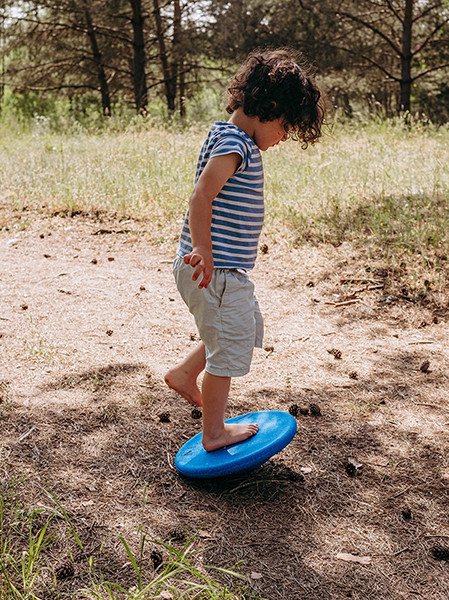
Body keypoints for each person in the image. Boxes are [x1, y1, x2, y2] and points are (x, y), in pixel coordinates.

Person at [165, 48, 325, 452]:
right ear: (270, 107)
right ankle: (213, 432)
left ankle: (185, 373)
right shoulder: (235, 143)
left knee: (240, 328)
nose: (285, 136)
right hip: (212, 270)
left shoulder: (231, 137)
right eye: (286, 126)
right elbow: (201, 195)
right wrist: (204, 247)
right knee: (228, 349)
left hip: (222, 272)